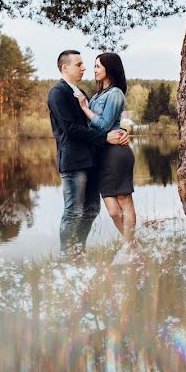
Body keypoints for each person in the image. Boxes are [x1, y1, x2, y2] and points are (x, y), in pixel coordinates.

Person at [47, 50, 129, 258]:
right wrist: (104, 138)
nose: (84, 68)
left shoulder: (81, 92)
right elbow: (70, 129)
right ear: (65, 67)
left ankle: (78, 250)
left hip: (92, 161)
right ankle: (67, 256)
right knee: (73, 211)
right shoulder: (58, 93)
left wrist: (122, 131)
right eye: (79, 64)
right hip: (74, 161)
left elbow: (100, 121)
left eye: (85, 65)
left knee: (92, 210)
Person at [74, 53, 137, 244]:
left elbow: (103, 125)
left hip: (116, 153)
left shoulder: (115, 93)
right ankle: (133, 245)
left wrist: (85, 108)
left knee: (124, 199)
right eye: (94, 66)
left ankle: (129, 248)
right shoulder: (98, 95)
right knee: (112, 210)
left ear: (109, 69)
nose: (94, 70)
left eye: (97, 66)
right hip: (101, 153)